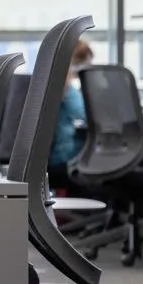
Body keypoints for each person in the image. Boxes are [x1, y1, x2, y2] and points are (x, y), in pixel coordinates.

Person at [49, 39, 94, 180]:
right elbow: (86, 115)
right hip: (66, 156)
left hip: (53, 155)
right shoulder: (67, 88)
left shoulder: (52, 82)